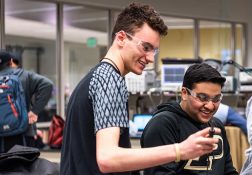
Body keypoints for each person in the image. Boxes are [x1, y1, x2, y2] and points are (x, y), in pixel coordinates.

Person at [60, 2, 220, 175]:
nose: (151, 58)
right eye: (145, 47)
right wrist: (180, 150)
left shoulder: (95, 77)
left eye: (154, 51)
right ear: (121, 38)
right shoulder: (109, 80)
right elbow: (108, 159)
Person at [140, 63, 239, 175]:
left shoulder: (216, 125)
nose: (210, 106)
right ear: (184, 93)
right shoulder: (163, 125)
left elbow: (229, 171)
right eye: (202, 98)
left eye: (216, 99)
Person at [0, 50, 53, 152]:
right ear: (11, 62)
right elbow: (47, 84)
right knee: (23, 165)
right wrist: (34, 111)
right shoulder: (23, 75)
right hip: (23, 133)